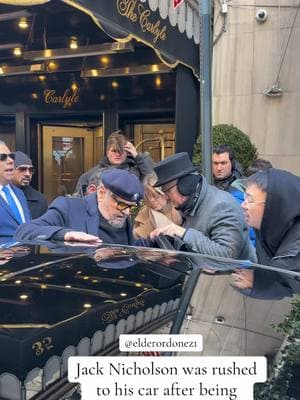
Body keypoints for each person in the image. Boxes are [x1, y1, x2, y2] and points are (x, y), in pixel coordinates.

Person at [150, 152, 255, 261]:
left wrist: (184, 233)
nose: (166, 197)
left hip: (238, 276)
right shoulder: (188, 205)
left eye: (167, 191)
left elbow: (227, 254)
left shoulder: (221, 206)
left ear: (185, 186)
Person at [15, 168, 144, 245]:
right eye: (121, 204)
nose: (127, 212)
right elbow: (25, 231)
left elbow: (128, 249)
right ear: (101, 192)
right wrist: (64, 235)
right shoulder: (69, 208)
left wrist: (154, 239)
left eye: (131, 207)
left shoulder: (123, 215)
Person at [232, 168, 300, 299]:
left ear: (274, 205)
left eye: (250, 200)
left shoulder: (293, 251)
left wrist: (258, 283)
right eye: (244, 198)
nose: (243, 205)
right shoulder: (269, 232)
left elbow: (286, 280)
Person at [75, 130, 153, 195]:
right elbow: (78, 200)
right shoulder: (90, 175)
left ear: (127, 152)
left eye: (121, 151)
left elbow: (153, 179)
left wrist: (137, 156)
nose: (118, 154)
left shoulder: (136, 171)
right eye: (114, 151)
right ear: (107, 151)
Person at [133, 173, 182, 239]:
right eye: (148, 196)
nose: (152, 200)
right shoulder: (143, 215)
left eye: (155, 195)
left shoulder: (181, 209)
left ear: (165, 193)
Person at [0, 140, 31, 239]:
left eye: (11, 156)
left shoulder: (19, 193)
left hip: (26, 252)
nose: (10, 161)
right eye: (3, 157)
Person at [12, 151, 48, 218]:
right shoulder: (3, 196)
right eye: (22, 169)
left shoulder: (39, 200)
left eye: (30, 170)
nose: (28, 174)